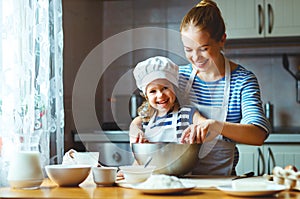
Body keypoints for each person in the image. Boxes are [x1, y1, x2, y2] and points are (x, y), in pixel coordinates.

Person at [178, 0, 271, 175]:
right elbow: (148, 117)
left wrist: (215, 126)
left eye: (203, 48)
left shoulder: (242, 80)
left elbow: (257, 134)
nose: (195, 57)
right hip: (178, 183)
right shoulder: (177, 77)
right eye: (188, 49)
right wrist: (136, 127)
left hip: (223, 182)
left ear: (222, 40)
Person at [129, 56, 206, 143]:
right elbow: (136, 123)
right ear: (146, 97)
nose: (160, 95)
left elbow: (206, 125)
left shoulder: (186, 113)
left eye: (165, 88)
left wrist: (198, 128)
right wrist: (135, 130)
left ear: (175, 89)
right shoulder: (147, 119)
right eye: (153, 91)